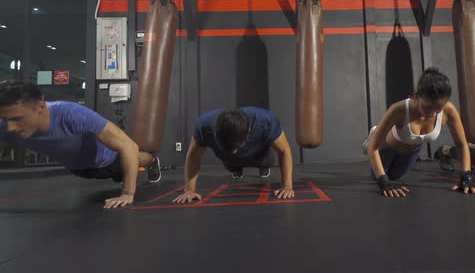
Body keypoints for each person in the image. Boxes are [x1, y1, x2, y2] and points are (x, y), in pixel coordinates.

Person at [0, 80, 161, 209]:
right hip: (79, 169)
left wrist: (127, 193)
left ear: (40, 107)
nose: (10, 127)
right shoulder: (5, 127)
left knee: (137, 158)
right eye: (5, 120)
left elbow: (129, 146)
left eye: (17, 119)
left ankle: (153, 161)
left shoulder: (71, 113)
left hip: (109, 161)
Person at [363, 68, 475, 197]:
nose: (432, 113)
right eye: (427, 108)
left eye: (438, 109)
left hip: (411, 152)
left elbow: (461, 144)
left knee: (394, 176)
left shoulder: (448, 110)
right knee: (375, 176)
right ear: (415, 96)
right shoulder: (399, 109)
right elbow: (374, 148)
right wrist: (383, 182)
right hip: (388, 146)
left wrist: (466, 177)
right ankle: (375, 133)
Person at [173, 107, 295, 203]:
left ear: (248, 132)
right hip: (229, 161)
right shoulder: (204, 125)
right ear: (214, 132)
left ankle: (262, 166)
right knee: (232, 164)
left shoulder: (266, 120)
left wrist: (287, 186)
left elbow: (284, 151)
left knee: (266, 162)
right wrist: (189, 190)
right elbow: (193, 156)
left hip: (261, 156)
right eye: (230, 148)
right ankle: (235, 167)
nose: (235, 152)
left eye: (237, 147)